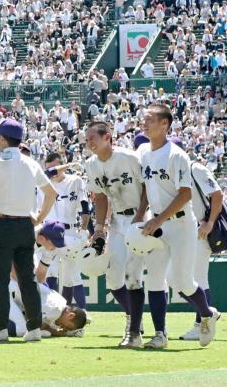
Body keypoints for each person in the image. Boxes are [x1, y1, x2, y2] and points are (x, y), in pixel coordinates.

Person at [138, 104, 218, 348]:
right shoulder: (142, 151)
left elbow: (185, 194)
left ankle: (207, 313)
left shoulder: (177, 155)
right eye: (144, 119)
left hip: (182, 224)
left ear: (165, 125)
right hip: (157, 224)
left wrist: (157, 219)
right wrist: (142, 214)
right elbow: (144, 187)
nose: (145, 123)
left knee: (182, 282)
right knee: (154, 279)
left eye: (150, 120)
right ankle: (160, 334)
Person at [0, 118, 57, 343]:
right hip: (25, 225)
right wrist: (39, 217)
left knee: (0, 279)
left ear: (2, 138)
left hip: (2, 225)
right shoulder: (30, 162)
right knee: (28, 279)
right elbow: (51, 193)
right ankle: (33, 328)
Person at [82, 122, 148, 348]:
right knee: (113, 278)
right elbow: (100, 197)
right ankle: (134, 320)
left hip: (142, 219)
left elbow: (148, 186)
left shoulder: (128, 157)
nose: (89, 143)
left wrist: (141, 214)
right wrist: (99, 228)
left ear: (107, 137)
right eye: (87, 139)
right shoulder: (91, 164)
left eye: (93, 138)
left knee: (133, 275)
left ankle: (134, 333)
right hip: (118, 221)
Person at [178, 158, 224, 341]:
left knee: (197, 278)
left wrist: (210, 222)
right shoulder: (177, 171)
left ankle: (201, 324)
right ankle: (207, 314)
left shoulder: (194, 168)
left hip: (201, 230)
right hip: (187, 230)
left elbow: (217, 194)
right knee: (179, 280)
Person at [41, 154, 90, 308]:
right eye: (50, 168)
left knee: (72, 276)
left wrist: (84, 228)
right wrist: (69, 164)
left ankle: (81, 313)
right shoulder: (44, 182)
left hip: (70, 231)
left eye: (56, 166)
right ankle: (53, 312)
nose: (54, 171)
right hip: (49, 233)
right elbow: (47, 173)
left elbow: (85, 205)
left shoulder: (75, 180)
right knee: (51, 272)